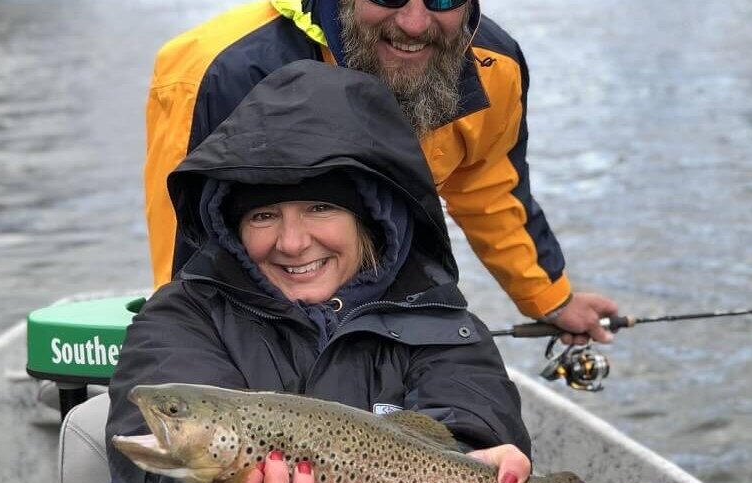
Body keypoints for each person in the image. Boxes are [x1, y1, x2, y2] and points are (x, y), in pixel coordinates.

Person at [69, 61, 586, 483]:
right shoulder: (181, 316)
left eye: (320, 207)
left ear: (371, 218)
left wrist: (479, 464)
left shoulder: (442, 322)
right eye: (264, 214)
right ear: (233, 225)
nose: (292, 243)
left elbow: (473, 413)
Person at [143, 0, 618, 344]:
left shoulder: (499, 66)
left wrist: (550, 300)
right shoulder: (215, 71)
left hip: (391, 309)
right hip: (257, 317)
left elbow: (490, 191)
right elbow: (190, 262)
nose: (414, 23)